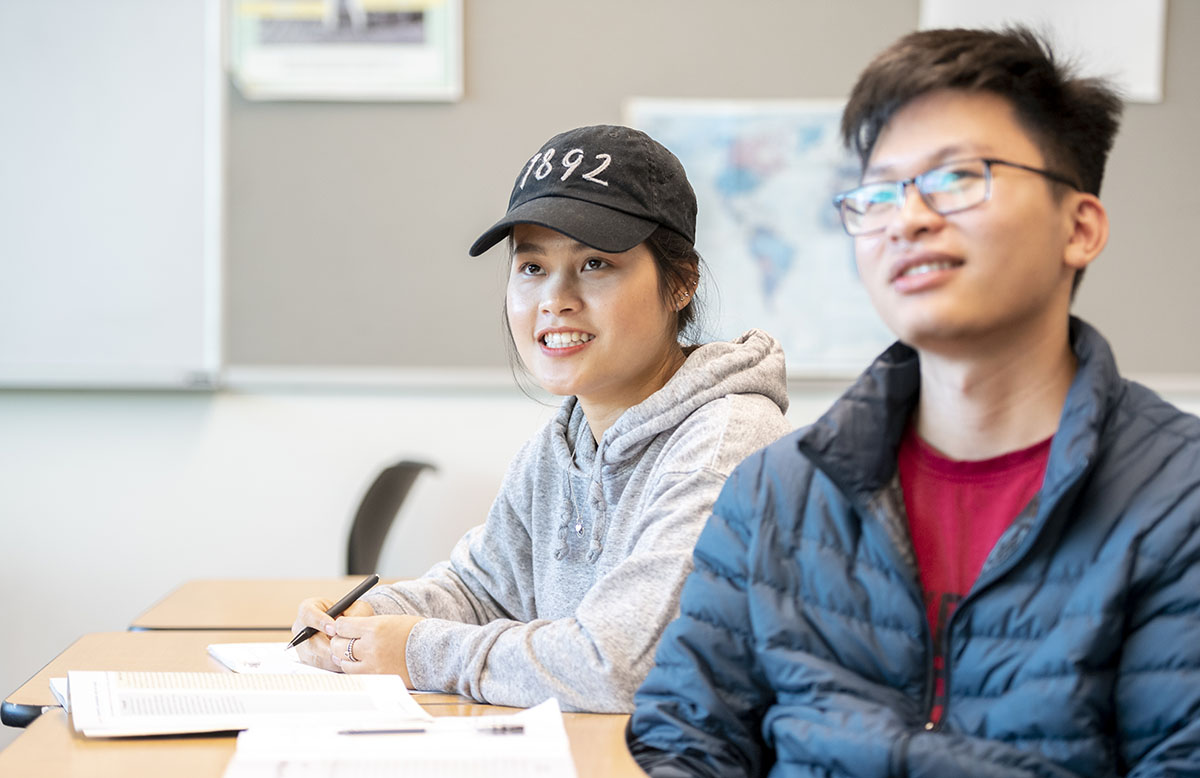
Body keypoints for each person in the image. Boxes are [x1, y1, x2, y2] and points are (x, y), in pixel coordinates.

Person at [628, 27, 1200, 776]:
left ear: (1079, 227)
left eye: (958, 177)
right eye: (878, 191)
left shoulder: (1178, 498)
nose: (909, 217)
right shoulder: (776, 490)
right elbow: (684, 740)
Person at [292, 124, 793, 713]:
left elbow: (620, 666)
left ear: (681, 282)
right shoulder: (564, 442)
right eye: (532, 267)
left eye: (597, 264)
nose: (555, 299)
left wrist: (416, 651)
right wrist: (374, 617)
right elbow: (482, 590)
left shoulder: (726, 445)